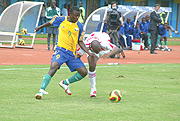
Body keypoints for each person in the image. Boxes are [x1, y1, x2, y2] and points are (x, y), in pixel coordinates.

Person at [34, 6, 95, 100]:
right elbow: (50, 23)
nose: (77, 18)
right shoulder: (60, 19)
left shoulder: (80, 26)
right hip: (60, 50)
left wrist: (88, 52)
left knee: (83, 72)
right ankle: (41, 91)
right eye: (75, 16)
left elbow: (80, 41)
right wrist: (40, 27)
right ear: (70, 14)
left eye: (78, 16)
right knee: (53, 67)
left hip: (71, 54)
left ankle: (65, 82)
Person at [76, 32, 120, 97]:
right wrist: (78, 55)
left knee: (103, 53)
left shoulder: (104, 43)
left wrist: (108, 55)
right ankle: (93, 89)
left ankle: (100, 52)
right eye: (96, 52)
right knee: (92, 65)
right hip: (92, 45)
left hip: (103, 43)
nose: (98, 53)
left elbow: (117, 49)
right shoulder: (86, 45)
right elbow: (77, 55)